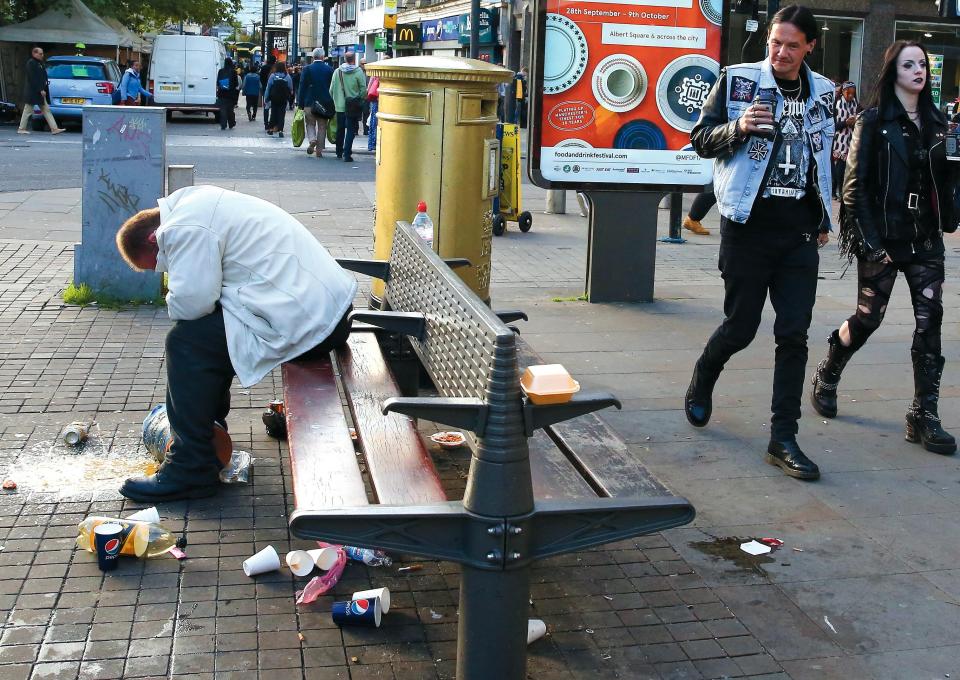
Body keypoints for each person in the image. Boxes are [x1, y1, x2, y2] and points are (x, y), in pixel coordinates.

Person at [114, 185, 358, 502]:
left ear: (153, 239)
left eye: (161, 264)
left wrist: (176, 299)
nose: (167, 269)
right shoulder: (196, 203)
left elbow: (192, 302)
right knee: (205, 336)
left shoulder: (185, 226)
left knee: (185, 343)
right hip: (323, 311)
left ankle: (191, 469)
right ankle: (208, 433)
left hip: (311, 319)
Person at [684, 4, 834, 481]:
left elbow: (826, 159)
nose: (781, 53)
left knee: (793, 333)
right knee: (742, 327)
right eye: (775, 42)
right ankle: (704, 375)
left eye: (792, 45)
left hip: (798, 234)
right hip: (747, 227)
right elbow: (701, 138)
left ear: (810, 46)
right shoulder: (738, 80)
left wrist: (826, 212)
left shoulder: (825, 93)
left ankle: (783, 437)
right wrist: (739, 128)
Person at [811, 41, 958, 455]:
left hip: (924, 238)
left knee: (931, 320)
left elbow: (945, 182)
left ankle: (923, 414)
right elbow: (853, 190)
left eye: (923, 65)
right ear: (892, 71)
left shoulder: (938, 123)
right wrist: (872, 245)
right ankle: (831, 365)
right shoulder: (873, 121)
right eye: (909, 64)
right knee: (868, 317)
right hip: (883, 236)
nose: (918, 70)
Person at [17, 46, 65, 135]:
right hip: (33, 92)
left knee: (46, 110)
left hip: (39, 92)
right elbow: (33, 78)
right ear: (34, 53)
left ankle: (54, 128)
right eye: (40, 53)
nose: (42, 55)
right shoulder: (31, 63)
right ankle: (21, 128)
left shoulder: (39, 63)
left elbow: (42, 77)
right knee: (28, 110)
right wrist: (40, 89)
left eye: (42, 53)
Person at [297, 47, 335, 157]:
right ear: (323, 57)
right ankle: (319, 150)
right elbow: (332, 87)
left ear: (313, 57)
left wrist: (300, 103)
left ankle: (312, 140)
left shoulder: (307, 69)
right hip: (324, 103)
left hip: (309, 102)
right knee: (322, 126)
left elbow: (302, 86)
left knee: (310, 124)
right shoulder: (329, 70)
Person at [329, 51, 366, 162]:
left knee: (340, 129)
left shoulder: (337, 72)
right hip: (353, 106)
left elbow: (331, 89)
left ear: (344, 59)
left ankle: (339, 151)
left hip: (340, 106)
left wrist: (336, 100)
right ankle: (347, 153)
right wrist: (359, 98)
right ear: (354, 59)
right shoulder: (358, 71)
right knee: (350, 130)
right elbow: (363, 89)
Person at [831, 81, 860, 199]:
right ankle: (836, 191)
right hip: (838, 142)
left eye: (853, 94)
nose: (850, 96)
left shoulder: (856, 105)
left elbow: (861, 121)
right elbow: (832, 126)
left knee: (849, 168)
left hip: (851, 140)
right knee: (839, 168)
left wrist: (854, 122)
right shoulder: (836, 105)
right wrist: (845, 123)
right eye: (848, 93)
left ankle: (842, 191)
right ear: (842, 92)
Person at [264, 61, 293, 137]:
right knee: (282, 114)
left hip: (274, 98)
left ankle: (270, 129)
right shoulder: (287, 76)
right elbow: (290, 88)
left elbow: (268, 87)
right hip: (283, 99)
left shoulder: (273, 76)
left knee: (273, 113)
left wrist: (266, 98)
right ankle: (280, 130)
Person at [216, 57, 239, 130]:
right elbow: (236, 84)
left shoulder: (220, 71)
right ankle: (231, 123)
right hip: (231, 94)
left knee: (223, 109)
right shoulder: (234, 72)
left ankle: (223, 124)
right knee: (230, 110)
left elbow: (218, 82)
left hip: (222, 93)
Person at [260, 55, 276, 132]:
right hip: (274, 90)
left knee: (266, 106)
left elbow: (261, 78)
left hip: (265, 88)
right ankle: (272, 123)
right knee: (274, 107)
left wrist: (264, 85)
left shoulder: (263, 68)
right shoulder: (275, 68)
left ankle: (266, 123)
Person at [367, 69, 380, 152]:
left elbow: (369, 88)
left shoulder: (375, 73)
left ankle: (372, 144)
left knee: (374, 122)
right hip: (384, 100)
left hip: (375, 100)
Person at [360, 58, 371, 135]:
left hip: (366, 96)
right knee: (356, 114)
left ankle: (365, 130)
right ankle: (355, 130)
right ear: (360, 64)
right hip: (358, 96)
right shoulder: (358, 72)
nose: (364, 65)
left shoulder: (369, 73)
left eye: (365, 63)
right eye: (363, 64)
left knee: (366, 113)